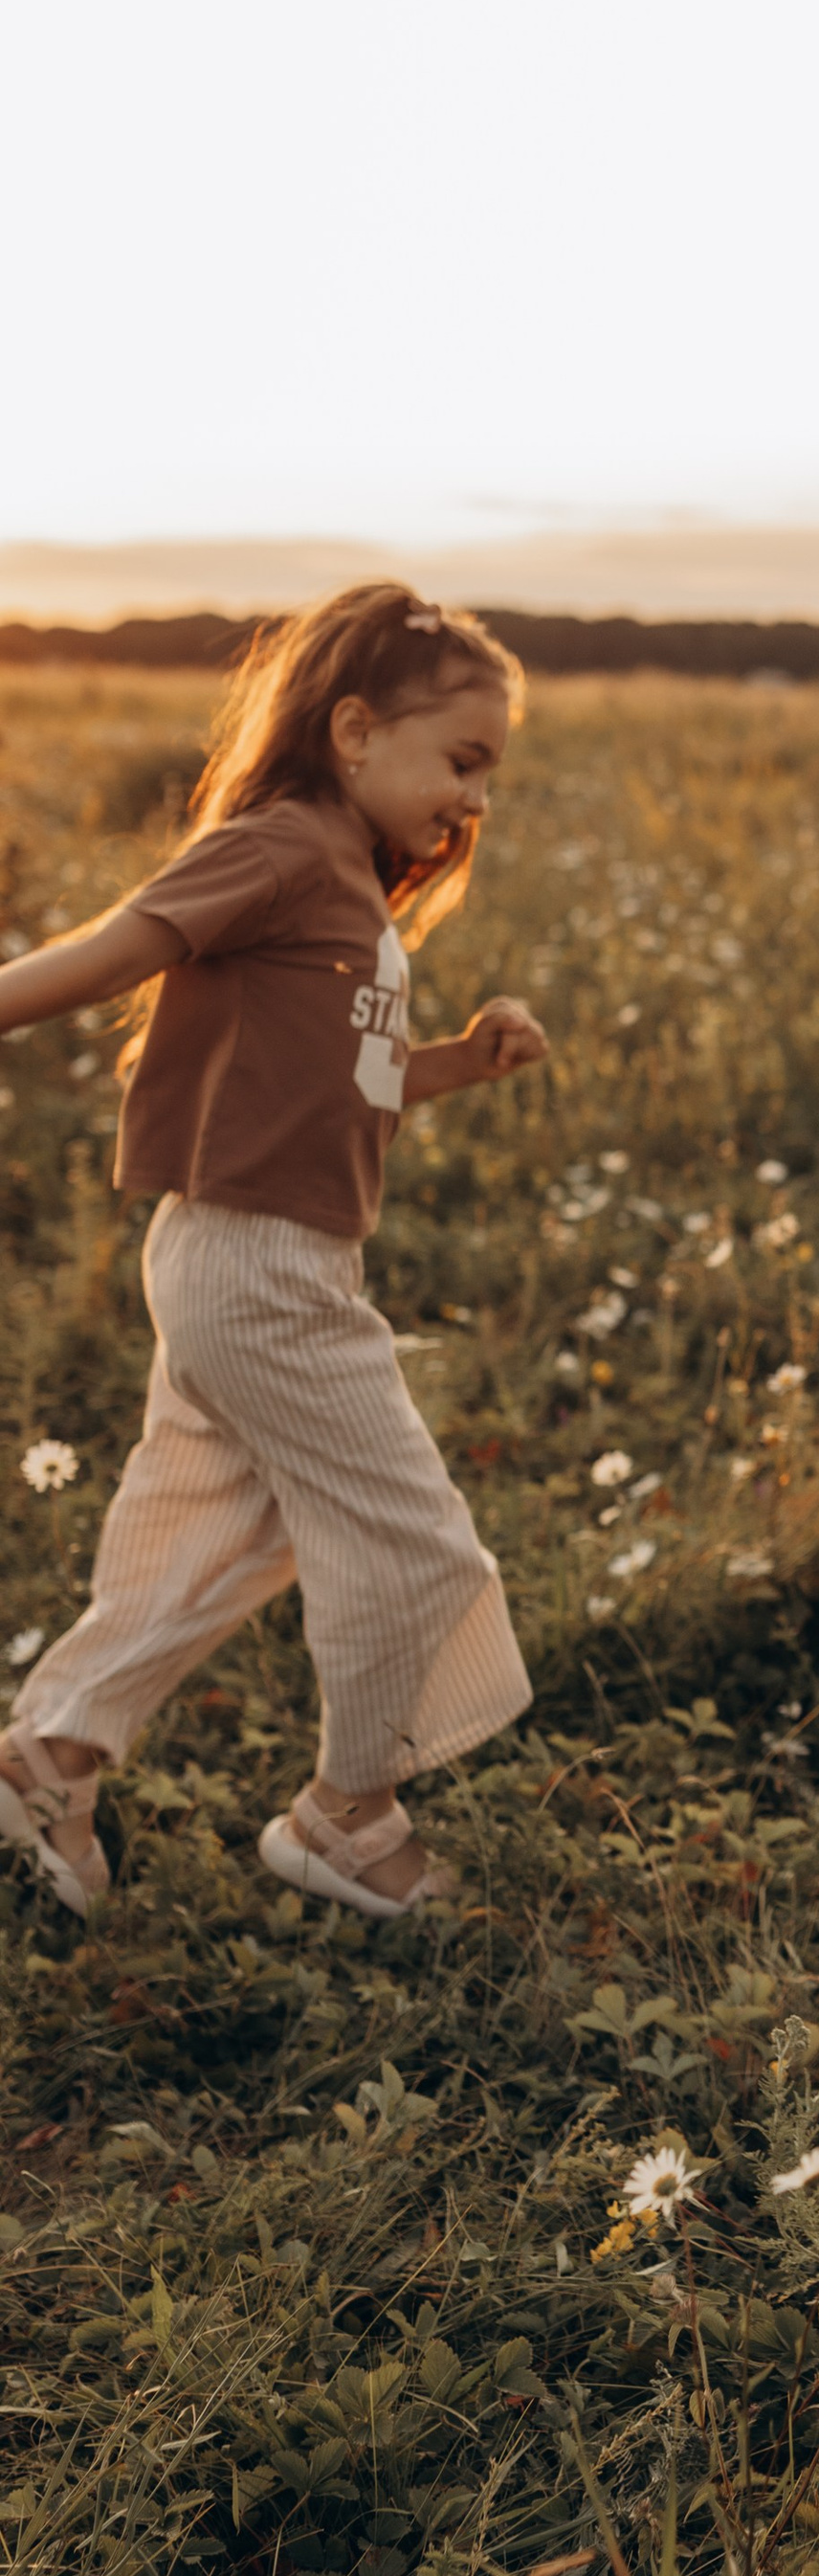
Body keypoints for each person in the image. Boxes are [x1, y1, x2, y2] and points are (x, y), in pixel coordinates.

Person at [0, 580, 546, 1923]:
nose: (476, 800)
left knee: (214, 1537)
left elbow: (342, 1084)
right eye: (461, 761)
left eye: (493, 776)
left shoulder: (347, 882)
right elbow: (118, 949)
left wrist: (459, 1064)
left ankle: (46, 1760)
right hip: (259, 1270)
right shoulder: (289, 846)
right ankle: (347, 1818)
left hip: (253, 1261)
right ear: (354, 731)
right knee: (417, 1547)